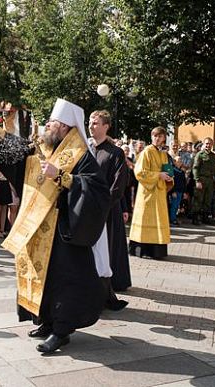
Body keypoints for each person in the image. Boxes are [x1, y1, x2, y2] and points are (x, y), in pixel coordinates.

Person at [0, 99, 110, 353]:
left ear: (66, 127)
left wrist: (61, 176)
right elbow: (15, 152)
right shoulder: (43, 146)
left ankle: (61, 330)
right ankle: (46, 320)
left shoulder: (80, 153)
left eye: (53, 122)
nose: (48, 125)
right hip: (36, 225)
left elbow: (97, 190)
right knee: (42, 278)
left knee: (63, 281)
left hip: (63, 229)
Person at [88, 110, 131, 306]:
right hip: (86, 210)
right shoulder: (85, 150)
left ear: (106, 126)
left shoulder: (115, 153)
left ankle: (104, 292)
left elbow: (118, 184)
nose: (91, 125)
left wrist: (103, 204)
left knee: (106, 252)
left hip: (106, 210)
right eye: (90, 122)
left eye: (95, 123)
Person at [129, 127, 174, 259]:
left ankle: (157, 251)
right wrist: (158, 175)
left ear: (164, 138)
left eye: (160, 136)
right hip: (148, 193)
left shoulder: (164, 154)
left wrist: (169, 178)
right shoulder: (146, 152)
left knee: (159, 220)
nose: (157, 138)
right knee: (146, 219)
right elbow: (139, 172)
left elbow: (168, 171)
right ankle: (142, 250)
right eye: (155, 136)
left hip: (159, 192)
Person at [191, 137, 215, 225]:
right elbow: (195, 168)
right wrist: (197, 180)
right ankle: (195, 218)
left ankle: (205, 217)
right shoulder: (199, 154)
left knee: (208, 199)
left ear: (212, 145)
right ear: (204, 144)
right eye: (206, 143)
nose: (208, 145)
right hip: (201, 179)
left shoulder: (213, 156)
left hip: (210, 180)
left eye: (210, 144)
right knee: (198, 199)